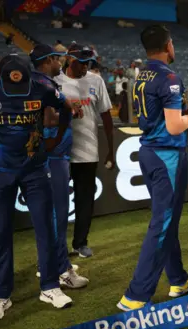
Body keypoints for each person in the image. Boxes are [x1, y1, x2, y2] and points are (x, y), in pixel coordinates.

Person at [0, 54, 79, 320]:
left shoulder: (42, 87)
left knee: (45, 229)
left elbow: (67, 107)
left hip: (35, 170)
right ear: (0, 77)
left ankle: (50, 287)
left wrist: (55, 139)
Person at [117, 24, 188, 311]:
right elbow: (174, 125)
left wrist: (186, 111)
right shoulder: (169, 77)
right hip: (166, 155)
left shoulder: (141, 75)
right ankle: (136, 295)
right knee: (163, 223)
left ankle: (178, 279)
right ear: (168, 46)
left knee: (167, 221)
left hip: (149, 152)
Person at [30, 44, 89, 289]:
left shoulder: (36, 82)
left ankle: (53, 263)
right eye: (57, 59)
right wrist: (72, 110)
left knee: (53, 216)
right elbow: (46, 118)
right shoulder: (43, 85)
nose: (60, 63)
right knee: (58, 216)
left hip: (53, 156)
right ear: (49, 60)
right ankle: (61, 270)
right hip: (53, 157)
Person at [55, 44, 115, 258]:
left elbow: (106, 117)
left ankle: (80, 243)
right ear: (70, 60)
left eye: (88, 63)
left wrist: (111, 149)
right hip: (60, 151)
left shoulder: (95, 80)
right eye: (82, 63)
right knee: (58, 202)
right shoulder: (55, 81)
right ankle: (57, 247)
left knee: (85, 200)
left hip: (88, 151)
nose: (85, 67)